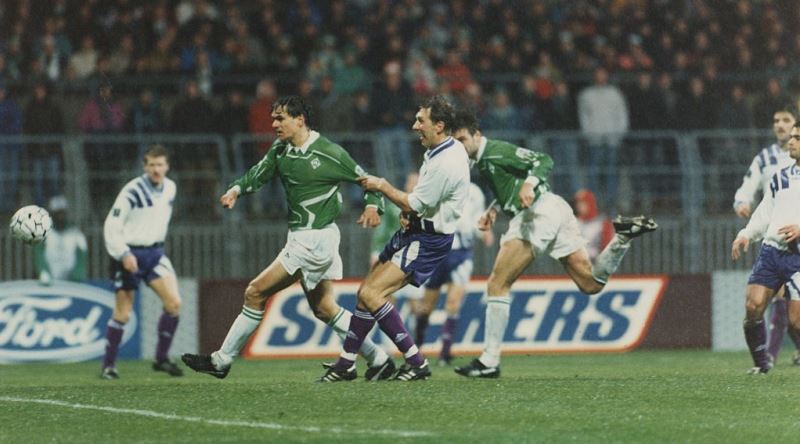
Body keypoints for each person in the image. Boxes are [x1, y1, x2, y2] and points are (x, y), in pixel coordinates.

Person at [181, 96, 395, 381]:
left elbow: (368, 182)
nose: (274, 124)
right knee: (324, 309)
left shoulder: (328, 152)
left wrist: (372, 206)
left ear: (300, 120)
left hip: (314, 240)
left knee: (255, 292)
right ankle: (379, 358)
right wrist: (236, 190)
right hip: (303, 237)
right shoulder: (280, 149)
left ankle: (221, 361)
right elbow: (259, 173)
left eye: (280, 118)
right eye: (273, 118)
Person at [449, 109, 656, 378]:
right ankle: (622, 238)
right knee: (591, 284)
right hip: (555, 208)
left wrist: (530, 184)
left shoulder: (494, 151)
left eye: (462, 140)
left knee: (497, 284)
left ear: (477, 135)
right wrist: (493, 210)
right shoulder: (482, 159)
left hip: (536, 214)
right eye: (455, 143)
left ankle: (489, 361)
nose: (460, 147)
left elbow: (543, 160)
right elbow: (508, 185)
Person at [318, 95, 471, 382]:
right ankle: (347, 363)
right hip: (418, 230)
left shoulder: (446, 162)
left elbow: (414, 202)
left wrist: (382, 185)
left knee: (371, 294)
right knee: (365, 293)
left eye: (421, 121)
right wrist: (413, 214)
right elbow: (423, 203)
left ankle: (416, 362)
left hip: (427, 240)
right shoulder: (442, 150)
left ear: (439, 126)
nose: (415, 126)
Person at [100, 145, 183, 379]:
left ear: (167, 166)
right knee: (123, 314)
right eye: (152, 165)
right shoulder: (132, 191)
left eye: (160, 165)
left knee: (174, 304)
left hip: (155, 254)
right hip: (130, 254)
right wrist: (123, 253)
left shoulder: (170, 188)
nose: (156, 169)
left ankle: (161, 358)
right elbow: (112, 225)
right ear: (145, 167)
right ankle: (108, 366)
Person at [733, 104, 800, 368]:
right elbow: (765, 210)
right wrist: (746, 233)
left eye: (797, 138)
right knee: (753, 307)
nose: (791, 141)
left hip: (797, 255)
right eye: (792, 137)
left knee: (795, 321)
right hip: (771, 251)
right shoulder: (779, 175)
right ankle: (762, 364)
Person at [414, 181, 493, 365]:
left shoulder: (475, 191)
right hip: (437, 250)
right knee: (427, 305)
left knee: (453, 302)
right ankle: (415, 349)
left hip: (462, 253)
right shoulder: (440, 183)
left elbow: (478, 219)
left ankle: (445, 353)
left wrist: (484, 232)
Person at [34, 195, 87, 285]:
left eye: (62, 213)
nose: (60, 216)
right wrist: (43, 272)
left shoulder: (76, 233)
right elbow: (39, 255)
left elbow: (81, 256)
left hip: (71, 282)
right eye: (57, 213)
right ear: (52, 214)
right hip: (49, 281)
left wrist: (77, 275)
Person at [574, 188, 615, 261]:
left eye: (582, 203)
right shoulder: (574, 222)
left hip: (596, 261)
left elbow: (609, 248)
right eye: (578, 204)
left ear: (590, 203)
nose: (579, 207)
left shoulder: (603, 223)